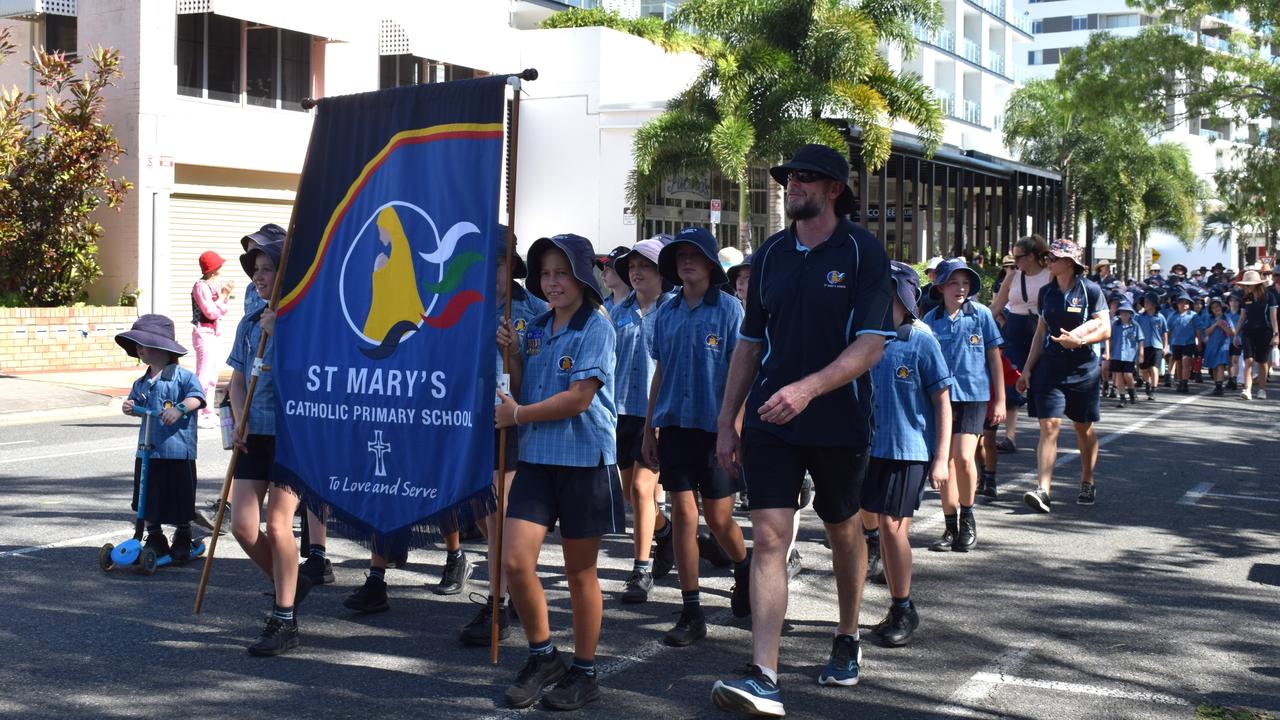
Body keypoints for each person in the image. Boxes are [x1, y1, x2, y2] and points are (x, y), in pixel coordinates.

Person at [711, 144, 895, 716]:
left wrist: (809, 389)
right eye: (788, 177)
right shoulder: (769, 255)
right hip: (771, 418)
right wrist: (728, 420)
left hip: (840, 419)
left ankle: (847, 636)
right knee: (768, 537)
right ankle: (764, 672)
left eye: (804, 179)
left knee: (843, 533)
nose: (791, 185)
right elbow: (750, 342)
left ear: (834, 189)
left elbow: (870, 346)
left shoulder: (864, 252)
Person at [494, 233, 623, 711]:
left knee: (580, 572)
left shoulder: (598, 326)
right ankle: (544, 655)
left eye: (561, 273)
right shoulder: (533, 327)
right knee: (514, 562)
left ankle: (585, 672)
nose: (551, 283)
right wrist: (510, 354)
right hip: (536, 460)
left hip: (585, 460)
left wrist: (518, 416)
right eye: (545, 273)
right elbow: (523, 389)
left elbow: (579, 398)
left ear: (582, 276)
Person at [640, 227, 749, 648]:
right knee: (684, 516)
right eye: (680, 256)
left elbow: (743, 373)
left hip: (716, 429)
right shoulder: (665, 313)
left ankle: (742, 564)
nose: (686, 262)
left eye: (694, 255)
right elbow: (661, 372)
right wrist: (651, 426)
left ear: (709, 263)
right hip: (676, 429)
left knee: (719, 520)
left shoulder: (729, 310)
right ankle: (691, 610)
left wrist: (734, 428)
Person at [457, 232, 549, 644]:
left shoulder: (533, 312)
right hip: (468, 415)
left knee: (500, 513)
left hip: (509, 419)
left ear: (511, 265)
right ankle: (506, 590)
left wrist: (513, 354)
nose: (489, 270)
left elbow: (538, 377)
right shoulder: (465, 305)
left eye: (496, 262)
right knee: (479, 509)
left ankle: (498, 603)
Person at [226, 234, 309, 656]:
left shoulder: (303, 319)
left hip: (292, 435)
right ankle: (289, 583)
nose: (259, 277)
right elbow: (238, 380)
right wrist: (238, 416)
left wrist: (286, 335)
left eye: (267, 269)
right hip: (253, 434)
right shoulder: (248, 322)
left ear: (284, 274)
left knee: (278, 526)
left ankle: (284, 617)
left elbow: (315, 377)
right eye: (255, 270)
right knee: (241, 525)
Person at [863, 262, 952, 647]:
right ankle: (897, 604)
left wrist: (941, 456)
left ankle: (902, 607)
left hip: (907, 448)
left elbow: (942, 401)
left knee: (894, 526)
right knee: (879, 526)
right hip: (867, 448)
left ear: (904, 297)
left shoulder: (921, 340)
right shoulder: (863, 339)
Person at [1017, 238, 1110, 513]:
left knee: (1083, 428)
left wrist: (1079, 341)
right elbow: (1040, 333)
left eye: (1053, 258)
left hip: (1083, 370)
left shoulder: (1091, 290)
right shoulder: (1047, 292)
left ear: (1070, 263)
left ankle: (1087, 480)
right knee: (1049, 426)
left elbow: (1105, 329)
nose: (1048, 262)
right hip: (1050, 368)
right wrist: (1027, 368)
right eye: (1047, 258)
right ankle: (1043, 490)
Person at [921, 259, 1004, 552]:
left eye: (965, 283)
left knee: (964, 458)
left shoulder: (980, 315)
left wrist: (1001, 400)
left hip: (974, 397)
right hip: (940, 400)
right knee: (945, 461)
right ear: (941, 286)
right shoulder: (930, 321)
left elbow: (994, 358)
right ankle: (949, 526)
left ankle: (968, 516)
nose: (961, 288)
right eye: (954, 283)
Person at [611, 235, 676, 604]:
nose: (637, 272)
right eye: (633, 266)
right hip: (619, 413)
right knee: (630, 495)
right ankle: (664, 533)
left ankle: (640, 569)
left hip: (656, 414)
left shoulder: (671, 309)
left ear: (661, 273)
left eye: (645, 266)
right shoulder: (618, 311)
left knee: (640, 490)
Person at [116, 314, 206, 562]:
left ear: (162, 348)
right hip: (148, 450)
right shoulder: (142, 382)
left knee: (179, 496)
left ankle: (183, 535)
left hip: (177, 451)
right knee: (147, 495)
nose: (139, 349)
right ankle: (154, 535)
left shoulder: (182, 377)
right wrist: (130, 407)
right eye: (137, 345)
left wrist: (180, 408)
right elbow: (137, 404)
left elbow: (197, 397)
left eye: (144, 344)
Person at [990, 235, 1052, 453]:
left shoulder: (1050, 275)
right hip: (1014, 332)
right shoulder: (1013, 276)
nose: (1015, 261)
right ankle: (1009, 436)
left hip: (1041, 332)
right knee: (1010, 382)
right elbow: (996, 307)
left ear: (1033, 256)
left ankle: (1047, 433)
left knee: (1042, 383)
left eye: (1019, 257)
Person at [191, 251, 233, 428]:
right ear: (213, 268)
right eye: (218, 266)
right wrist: (223, 297)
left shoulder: (213, 286)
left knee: (213, 375)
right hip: (204, 332)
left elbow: (222, 310)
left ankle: (207, 411)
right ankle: (197, 412)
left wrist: (223, 298)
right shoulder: (200, 286)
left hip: (214, 333)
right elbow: (211, 312)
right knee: (204, 374)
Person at [1234, 269, 1275, 400]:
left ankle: (1262, 389)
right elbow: (1242, 317)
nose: (1247, 286)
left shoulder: (1269, 296)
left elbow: (1273, 317)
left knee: (1262, 362)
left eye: (1249, 284)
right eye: (1245, 284)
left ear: (1257, 284)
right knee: (1249, 360)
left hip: (1265, 332)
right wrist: (1236, 334)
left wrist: (1276, 334)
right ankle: (1247, 390)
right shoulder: (1245, 297)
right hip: (1248, 332)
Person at [1108, 299, 1144, 407]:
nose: (1124, 314)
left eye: (1127, 312)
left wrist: (1141, 354)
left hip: (1129, 355)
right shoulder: (1115, 325)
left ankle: (1132, 391)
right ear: (1119, 313)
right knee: (1118, 375)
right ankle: (1122, 397)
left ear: (1130, 314)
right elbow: (1110, 339)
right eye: (1122, 312)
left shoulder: (1135, 325)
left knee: (1128, 375)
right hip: (1117, 354)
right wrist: (1108, 352)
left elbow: (1141, 339)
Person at [1135, 293, 1168, 401]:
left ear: (1154, 304)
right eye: (1145, 302)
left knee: (1154, 368)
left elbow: (1164, 333)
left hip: (1156, 346)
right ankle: (1148, 383)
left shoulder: (1160, 317)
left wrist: (1165, 347)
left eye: (1148, 302)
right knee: (1144, 369)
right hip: (1144, 345)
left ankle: (1153, 390)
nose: (1146, 304)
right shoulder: (1140, 317)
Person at [1167, 291, 1198, 394]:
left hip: (1189, 343)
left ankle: (1185, 383)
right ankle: (1180, 381)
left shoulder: (1193, 315)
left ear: (1189, 304)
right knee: (1179, 363)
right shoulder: (1173, 316)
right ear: (1177, 304)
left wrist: (1200, 341)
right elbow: (1168, 330)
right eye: (1181, 302)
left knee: (1186, 362)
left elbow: (1198, 329)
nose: (1183, 304)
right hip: (1176, 343)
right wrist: (1167, 344)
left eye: (1186, 302)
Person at [1202, 297, 1234, 396]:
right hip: (1212, 345)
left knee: (1220, 365)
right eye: (1213, 307)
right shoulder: (1209, 318)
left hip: (1223, 345)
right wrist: (1216, 324)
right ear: (1211, 310)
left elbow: (1232, 332)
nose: (1216, 309)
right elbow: (1206, 332)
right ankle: (1217, 384)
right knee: (1214, 366)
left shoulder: (1226, 317)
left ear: (1222, 307)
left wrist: (1223, 326)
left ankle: (1219, 386)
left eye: (1218, 306)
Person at [599, 246, 631, 313]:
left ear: (621, 271)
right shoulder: (602, 305)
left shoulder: (640, 303)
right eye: (603, 269)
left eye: (607, 270)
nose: (602, 274)